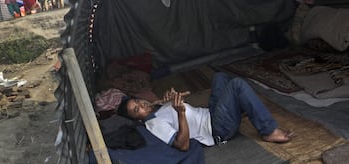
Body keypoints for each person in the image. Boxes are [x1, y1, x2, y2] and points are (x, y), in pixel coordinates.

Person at [117, 72, 293, 151]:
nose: (142, 105)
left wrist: (170, 100)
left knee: (220, 77)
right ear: (137, 119)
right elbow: (182, 145)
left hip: (211, 114)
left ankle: (241, 107)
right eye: (136, 109)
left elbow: (169, 108)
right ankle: (269, 131)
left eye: (138, 101)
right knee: (236, 85)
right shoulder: (153, 124)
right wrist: (180, 112)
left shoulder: (156, 109)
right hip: (217, 129)